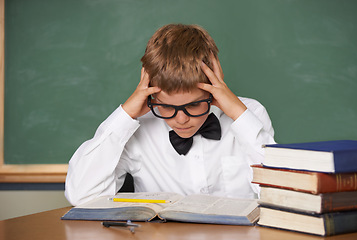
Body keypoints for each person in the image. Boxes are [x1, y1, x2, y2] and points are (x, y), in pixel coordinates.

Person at [65, 23, 276, 206]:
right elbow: (82, 195)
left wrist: (239, 114)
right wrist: (125, 115)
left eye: (194, 105)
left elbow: (280, 195)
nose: (181, 119)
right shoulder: (135, 129)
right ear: (151, 97)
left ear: (213, 89)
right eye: (166, 107)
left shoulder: (251, 114)